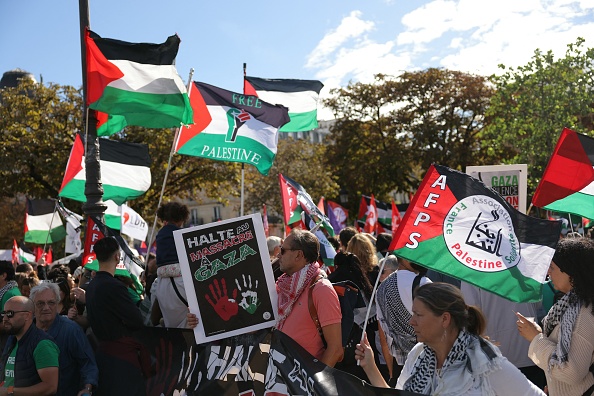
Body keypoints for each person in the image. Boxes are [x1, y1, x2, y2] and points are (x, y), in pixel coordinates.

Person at [356, 283, 546, 395]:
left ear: (444, 319)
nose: (411, 321)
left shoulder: (485, 365)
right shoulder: (418, 354)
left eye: (418, 315)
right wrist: (370, 367)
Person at [516, 237, 594, 396]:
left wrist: (536, 338)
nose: (548, 273)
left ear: (570, 271)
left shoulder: (582, 314)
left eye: (552, 267)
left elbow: (570, 372)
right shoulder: (571, 305)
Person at [85, 236, 147, 395]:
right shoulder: (115, 286)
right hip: (120, 359)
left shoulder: (92, 285)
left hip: (103, 354)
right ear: (117, 256)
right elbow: (137, 320)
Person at [275, 229, 343, 367]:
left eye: (282, 250)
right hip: (279, 379)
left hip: (303, 383)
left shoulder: (321, 289)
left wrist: (314, 385)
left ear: (298, 255)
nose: (278, 255)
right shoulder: (282, 286)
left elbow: (335, 349)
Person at [461, 282, 546, 389]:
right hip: (529, 351)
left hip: (493, 357)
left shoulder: (471, 267)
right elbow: (537, 301)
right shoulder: (527, 265)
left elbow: (469, 311)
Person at [30, 282, 98, 396]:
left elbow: (87, 364)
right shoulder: (25, 330)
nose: (46, 307)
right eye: (40, 303)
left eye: (51, 303)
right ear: (32, 306)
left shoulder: (71, 330)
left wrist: (87, 388)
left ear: (57, 304)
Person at [375, 258, 431, 383]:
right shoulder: (423, 283)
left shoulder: (381, 290)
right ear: (403, 257)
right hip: (426, 362)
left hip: (398, 365)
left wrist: (392, 374)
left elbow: (384, 337)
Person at [0, 296, 59, 395]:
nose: (5, 318)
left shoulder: (42, 344)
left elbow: (50, 387)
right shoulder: (12, 340)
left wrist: (9, 391)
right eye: (3, 314)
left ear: (27, 316)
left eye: (10, 314)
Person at [154, 202, 190, 328]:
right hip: (181, 281)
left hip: (162, 284)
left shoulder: (160, 234)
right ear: (181, 219)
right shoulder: (181, 234)